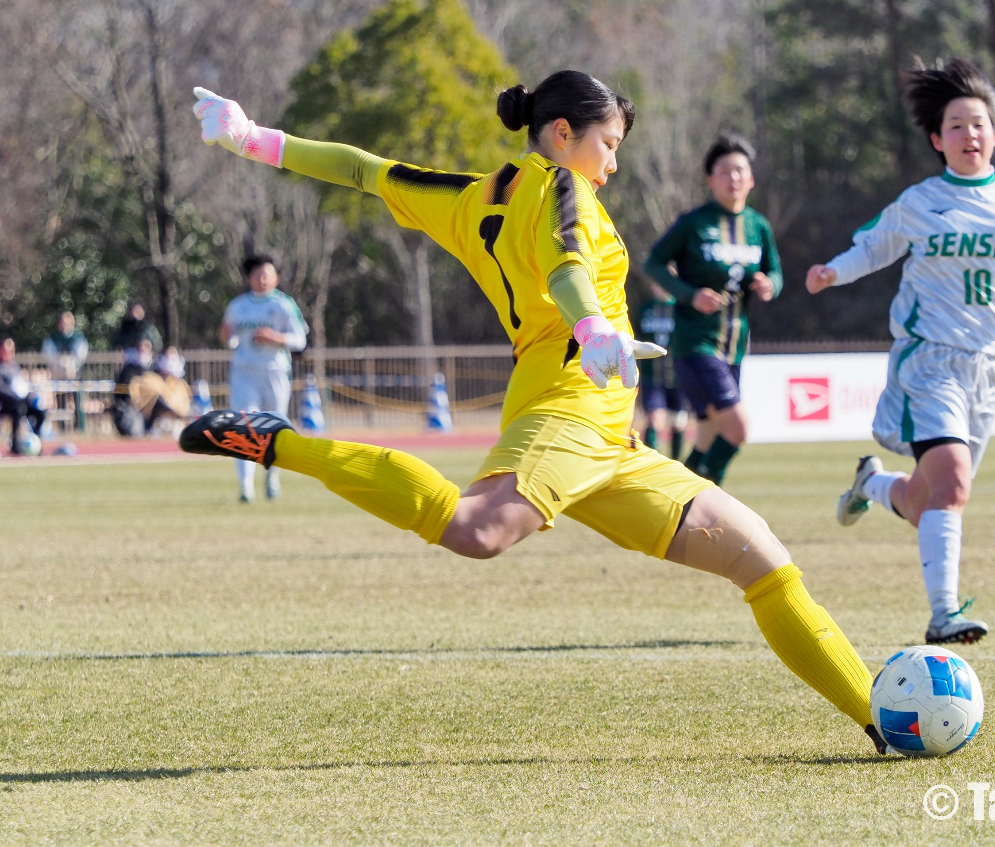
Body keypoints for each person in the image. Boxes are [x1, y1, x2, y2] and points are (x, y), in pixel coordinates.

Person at [181, 74, 887, 754]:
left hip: (608, 429)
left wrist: (252, 138)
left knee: (761, 559)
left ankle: (881, 719)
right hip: (569, 401)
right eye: (608, 144)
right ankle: (277, 443)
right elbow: (567, 269)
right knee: (476, 529)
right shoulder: (560, 187)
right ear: (561, 133)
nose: (612, 164)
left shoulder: (469, 196)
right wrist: (594, 331)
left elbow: (365, 170)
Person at [806, 59, 995, 645]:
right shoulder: (920, 201)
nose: (969, 134)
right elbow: (873, 248)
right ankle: (943, 615)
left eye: (979, 124)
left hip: (991, 365)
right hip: (930, 359)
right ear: (937, 140)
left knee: (927, 498)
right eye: (956, 125)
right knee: (954, 483)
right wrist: (835, 271)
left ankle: (872, 485)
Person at [645, 132, 782, 485]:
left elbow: (775, 271)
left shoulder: (758, 226)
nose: (733, 178)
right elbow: (654, 264)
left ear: (751, 179)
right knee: (738, 427)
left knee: (707, 431)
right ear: (710, 180)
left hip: (734, 347)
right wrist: (689, 295)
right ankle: (711, 498)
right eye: (724, 171)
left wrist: (770, 284)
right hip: (696, 345)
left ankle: (682, 501)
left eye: (740, 171)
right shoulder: (694, 223)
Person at [220, 253, 309, 501]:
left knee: (274, 427)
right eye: (257, 274)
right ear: (249, 278)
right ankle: (245, 485)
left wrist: (275, 337)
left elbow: (300, 339)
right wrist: (226, 335)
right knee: (243, 426)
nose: (262, 278)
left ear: (276, 277)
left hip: (274, 371)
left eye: (266, 273)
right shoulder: (238, 305)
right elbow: (230, 338)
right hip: (245, 372)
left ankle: (272, 475)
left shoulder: (283, 304)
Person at [632, 281, 687, 460]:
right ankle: (650, 462)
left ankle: (677, 464)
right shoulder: (645, 310)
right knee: (654, 419)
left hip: (677, 377)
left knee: (678, 422)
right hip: (652, 377)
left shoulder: (681, 309)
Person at [0, 336, 46, 454]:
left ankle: (35, 441)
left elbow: (20, 383)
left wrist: (27, 395)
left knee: (40, 412)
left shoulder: (13, 366)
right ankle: (15, 446)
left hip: (20, 402)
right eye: (6, 350)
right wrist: (15, 396)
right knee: (18, 410)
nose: (9, 353)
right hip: (2, 405)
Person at [41, 311, 90, 432]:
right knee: (61, 401)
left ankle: (79, 426)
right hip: (59, 374)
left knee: (77, 400)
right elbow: (48, 354)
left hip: (74, 373)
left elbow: (81, 354)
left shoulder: (78, 338)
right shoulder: (53, 339)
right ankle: (62, 427)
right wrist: (59, 361)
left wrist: (71, 362)